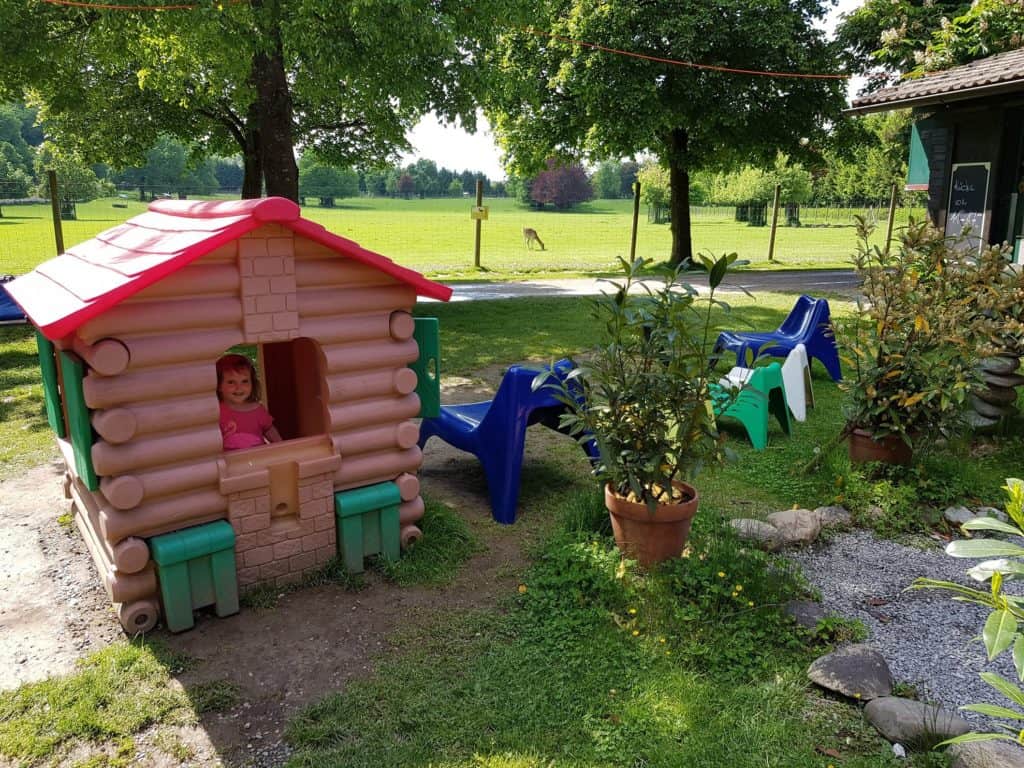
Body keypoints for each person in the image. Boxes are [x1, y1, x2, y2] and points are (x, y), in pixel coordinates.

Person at [216, 354, 282, 450]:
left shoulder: (258, 410)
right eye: (231, 382)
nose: (239, 387)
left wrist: (282, 448)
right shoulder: (217, 411)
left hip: (258, 460)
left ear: (252, 382)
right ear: (219, 385)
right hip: (231, 463)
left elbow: (271, 432)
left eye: (244, 381)